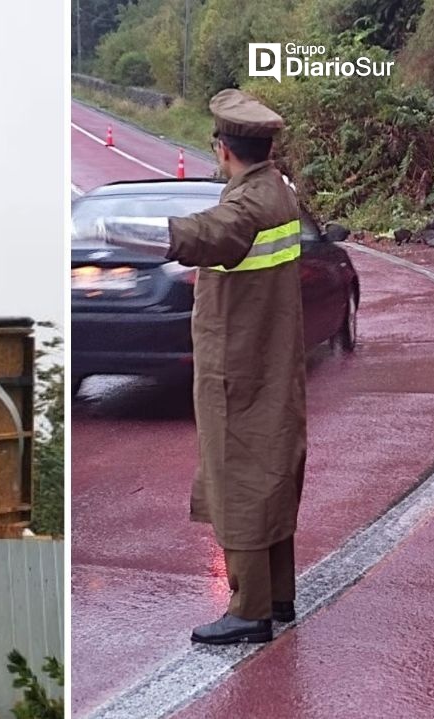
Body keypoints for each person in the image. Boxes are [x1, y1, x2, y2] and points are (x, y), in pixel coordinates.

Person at [167, 89, 307, 645]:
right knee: (273, 470)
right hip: (273, 357)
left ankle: (249, 610)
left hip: (237, 365)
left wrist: (140, 234)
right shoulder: (281, 193)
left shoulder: (245, 207)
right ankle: (277, 594)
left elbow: (212, 231)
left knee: (239, 479)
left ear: (223, 149)